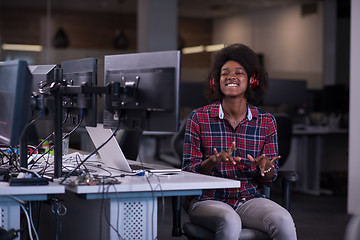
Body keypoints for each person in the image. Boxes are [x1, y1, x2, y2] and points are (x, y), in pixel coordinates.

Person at [182, 43, 297, 240]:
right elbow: (187, 171)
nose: (231, 76)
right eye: (225, 73)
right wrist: (211, 162)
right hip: (208, 199)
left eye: (239, 72)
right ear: (216, 81)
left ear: (252, 80)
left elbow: (270, 175)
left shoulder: (266, 121)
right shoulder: (198, 118)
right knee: (230, 221)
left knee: (283, 220)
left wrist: (266, 168)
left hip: (249, 199)